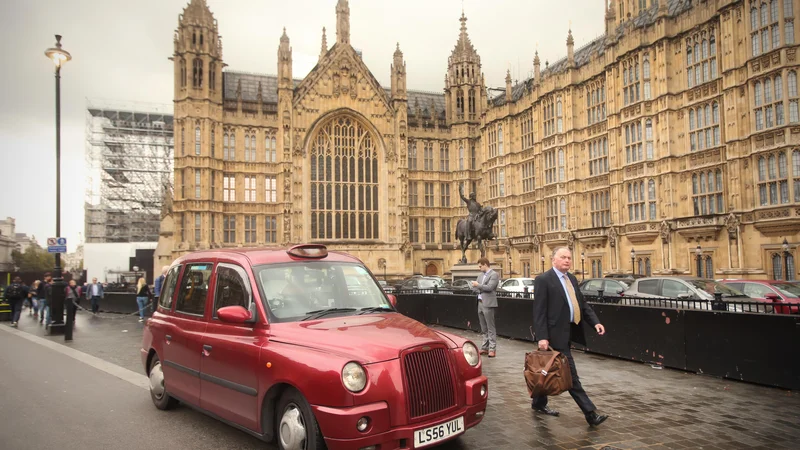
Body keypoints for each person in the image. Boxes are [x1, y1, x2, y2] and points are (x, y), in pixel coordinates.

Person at [532, 246, 608, 427]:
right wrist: (542, 337)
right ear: (554, 260)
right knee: (571, 375)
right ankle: (590, 414)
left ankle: (538, 403)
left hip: (568, 332)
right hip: (553, 336)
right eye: (563, 257)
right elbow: (539, 311)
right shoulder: (544, 280)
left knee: (547, 371)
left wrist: (595, 322)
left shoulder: (572, 279)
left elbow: (582, 304)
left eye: (569, 257)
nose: (567, 260)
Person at [471, 257, 499, 358]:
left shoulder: (494, 275)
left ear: (485, 264)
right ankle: (484, 347)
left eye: (480, 266)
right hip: (480, 303)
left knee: (490, 327)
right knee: (483, 327)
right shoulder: (480, 275)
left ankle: (492, 349)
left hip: (488, 303)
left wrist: (478, 285)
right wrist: (480, 287)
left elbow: (490, 288)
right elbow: (475, 289)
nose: (479, 268)